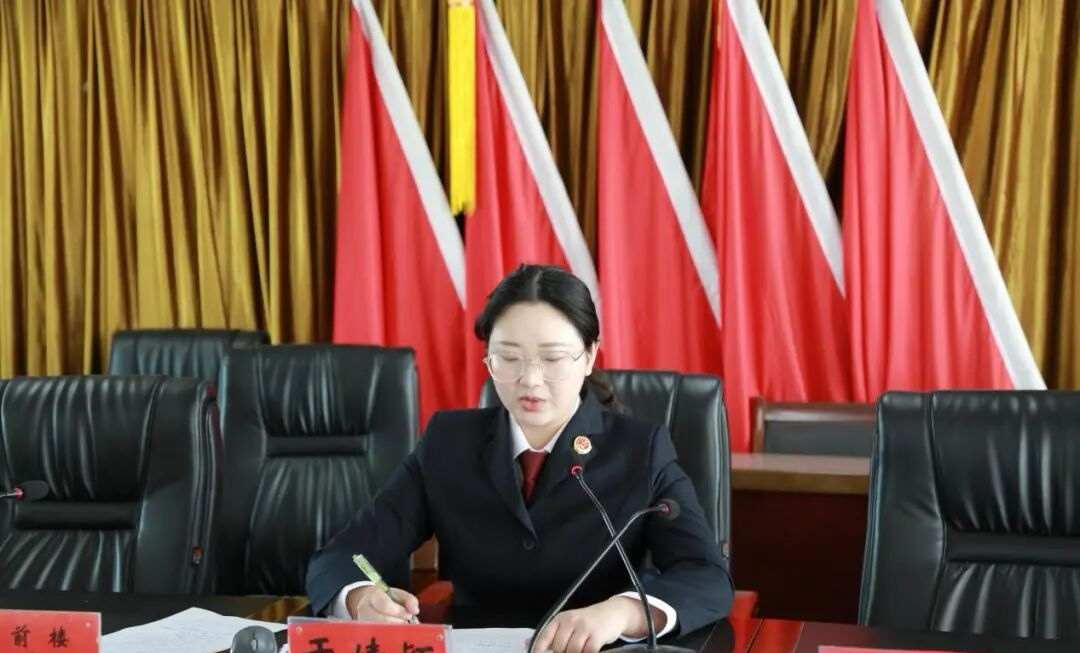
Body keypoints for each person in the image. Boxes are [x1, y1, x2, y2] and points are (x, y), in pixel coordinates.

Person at [306, 264, 733, 653]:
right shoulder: (449, 442)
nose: (530, 379)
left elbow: (706, 575)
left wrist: (624, 612)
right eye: (509, 358)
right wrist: (360, 597)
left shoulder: (640, 449)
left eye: (552, 358)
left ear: (589, 356)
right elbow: (346, 553)